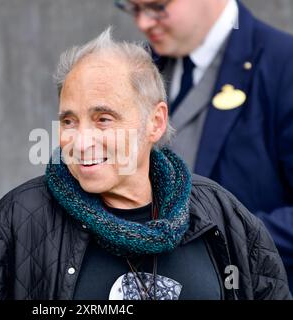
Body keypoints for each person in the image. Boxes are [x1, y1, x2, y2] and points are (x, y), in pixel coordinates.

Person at [0, 29, 290, 300]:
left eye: (103, 119)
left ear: (155, 122)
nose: (80, 141)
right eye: (69, 122)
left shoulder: (221, 215)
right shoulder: (16, 222)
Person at [114, 0, 293, 290]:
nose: (144, 23)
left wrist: (220, 242)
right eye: (132, 8)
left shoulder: (284, 65)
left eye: (157, 6)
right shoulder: (136, 67)